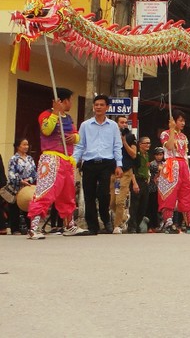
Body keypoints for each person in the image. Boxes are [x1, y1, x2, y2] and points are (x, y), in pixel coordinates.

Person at [27, 88, 83, 239]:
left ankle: (69, 225)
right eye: (70, 100)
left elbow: (77, 135)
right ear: (63, 101)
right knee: (45, 191)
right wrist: (54, 113)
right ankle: (33, 227)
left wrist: (74, 138)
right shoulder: (46, 115)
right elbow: (46, 130)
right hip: (51, 159)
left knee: (68, 194)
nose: (71, 103)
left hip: (66, 159)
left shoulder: (68, 118)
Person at [74, 94, 123, 236]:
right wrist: (73, 160)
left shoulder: (113, 126)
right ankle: (93, 226)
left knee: (103, 194)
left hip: (106, 164)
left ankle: (106, 219)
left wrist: (119, 165)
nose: (99, 107)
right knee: (88, 195)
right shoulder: (85, 125)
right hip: (89, 163)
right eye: (96, 105)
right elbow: (80, 145)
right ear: (93, 107)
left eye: (102, 105)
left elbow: (117, 146)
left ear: (107, 107)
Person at [158, 112, 190, 233]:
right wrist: (171, 130)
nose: (183, 123)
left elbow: (185, 155)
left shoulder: (183, 137)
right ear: (173, 121)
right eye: (180, 120)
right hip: (171, 165)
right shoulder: (165, 134)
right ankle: (168, 223)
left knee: (187, 193)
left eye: (183, 121)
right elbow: (169, 147)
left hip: (183, 166)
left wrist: (188, 171)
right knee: (169, 194)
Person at [108, 115, 137, 234]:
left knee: (120, 201)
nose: (124, 124)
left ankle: (117, 225)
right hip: (113, 172)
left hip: (125, 172)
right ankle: (124, 217)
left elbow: (134, 154)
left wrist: (124, 141)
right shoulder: (110, 136)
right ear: (116, 124)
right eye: (121, 122)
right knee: (112, 202)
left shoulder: (131, 137)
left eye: (126, 122)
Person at [7, 139, 37, 235]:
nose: (26, 147)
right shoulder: (14, 159)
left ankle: (29, 228)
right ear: (18, 146)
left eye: (27, 145)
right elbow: (11, 173)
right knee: (15, 208)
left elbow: (34, 173)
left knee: (27, 206)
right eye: (24, 145)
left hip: (27, 187)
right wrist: (20, 181)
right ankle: (15, 228)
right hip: (17, 186)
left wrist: (29, 180)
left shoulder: (30, 159)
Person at [128, 136, 152, 234]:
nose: (147, 145)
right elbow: (132, 170)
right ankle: (132, 227)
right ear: (140, 144)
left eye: (149, 143)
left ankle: (137, 225)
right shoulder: (136, 155)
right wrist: (134, 183)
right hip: (137, 181)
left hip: (145, 182)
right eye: (145, 143)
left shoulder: (146, 155)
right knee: (134, 205)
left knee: (143, 205)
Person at [147, 147, 164, 231]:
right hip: (153, 188)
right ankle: (152, 226)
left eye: (161, 154)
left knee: (161, 208)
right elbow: (159, 169)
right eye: (157, 155)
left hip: (163, 189)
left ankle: (160, 224)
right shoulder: (152, 164)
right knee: (153, 207)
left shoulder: (165, 163)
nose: (159, 156)